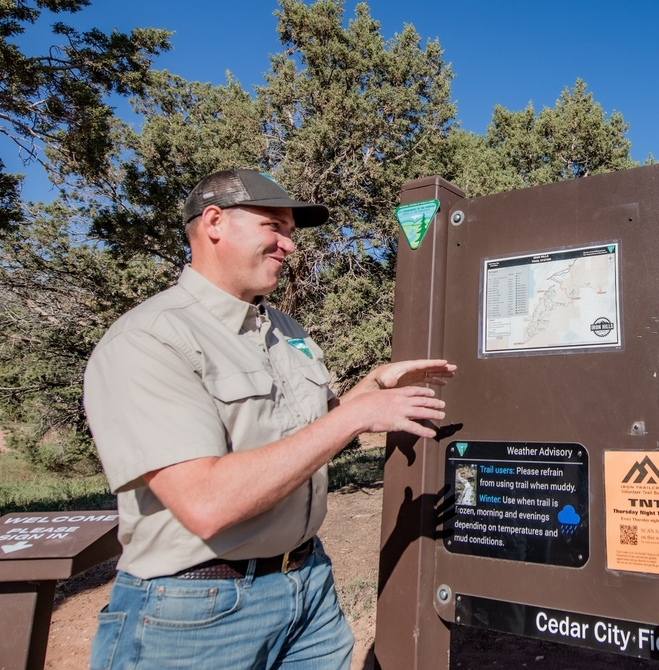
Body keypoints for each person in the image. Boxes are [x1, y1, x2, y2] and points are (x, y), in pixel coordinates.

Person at [83, 169, 455, 669]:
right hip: (197, 614)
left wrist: (373, 388)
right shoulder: (150, 339)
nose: (288, 245)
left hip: (308, 588)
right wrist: (355, 417)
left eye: (290, 233)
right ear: (214, 222)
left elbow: (311, 433)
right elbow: (205, 502)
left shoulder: (282, 328)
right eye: (273, 227)